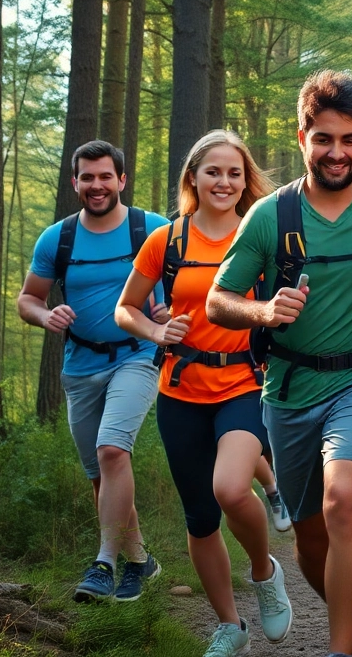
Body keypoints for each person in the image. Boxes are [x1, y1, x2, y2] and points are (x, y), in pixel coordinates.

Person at [206, 71, 352, 657]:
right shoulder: (270, 215)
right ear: (303, 138)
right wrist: (265, 311)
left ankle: (342, 650)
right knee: (311, 541)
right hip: (289, 388)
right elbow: (220, 300)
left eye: (349, 139)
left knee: (342, 498)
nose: (336, 152)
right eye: (324, 139)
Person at [115, 130, 293, 656]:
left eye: (235, 172)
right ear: (193, 177)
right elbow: (126, 307)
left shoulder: (261, 234)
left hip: (244, 382)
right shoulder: (166, 241)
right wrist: (153, 331)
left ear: (246, 181)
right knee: (200, 517)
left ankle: (264, 573)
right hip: (180, 390)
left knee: (232, 488)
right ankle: (229, 627)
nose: (224, 181)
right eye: (213, 171)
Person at [17, 140, 169, 603]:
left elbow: (201, 280)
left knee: (111, 449)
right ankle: (142, 562)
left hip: (138, 354)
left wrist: (170, 311)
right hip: (80, 364)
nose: (97, 185)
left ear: (121, 180)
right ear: (75, 183)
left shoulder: (153, 229)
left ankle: (103, 562)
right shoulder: (57, 238)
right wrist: (47, 316)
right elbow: (28, 299)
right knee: (102, 473)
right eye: (88, 177)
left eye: (106, 176)